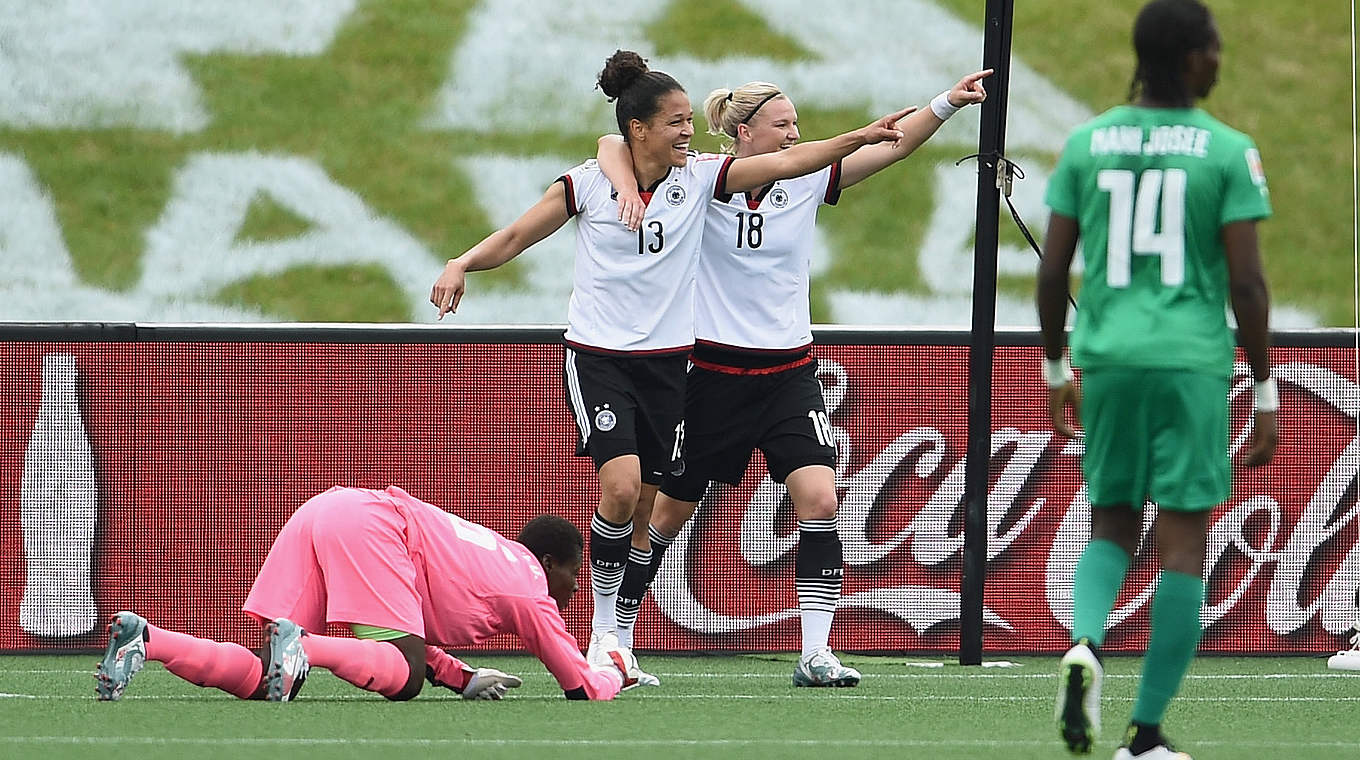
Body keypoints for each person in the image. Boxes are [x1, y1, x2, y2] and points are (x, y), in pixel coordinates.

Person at [428, 49, 912, 679]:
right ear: (641, 129)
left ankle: (638, 640)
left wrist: (858, 136)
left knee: (652, 502)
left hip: (671, 367)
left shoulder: (699, 180)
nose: (689, 130)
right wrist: (461, 262)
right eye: (677, 121)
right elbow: (520, 234)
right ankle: (605, 633)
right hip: (599, 357)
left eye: (690, 119)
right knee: (622, 487)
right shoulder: (588, 181)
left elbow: (791, 162)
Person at [593, 69, 990, 685]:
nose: (794, 135)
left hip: (789, 373)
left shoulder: (806, 177)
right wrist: (620, 182)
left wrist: (946, 103)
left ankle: (814, 652)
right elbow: (613, 145)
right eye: (783, 125)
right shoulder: (697, 178)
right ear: (743, 133)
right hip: (711, 374)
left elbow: (894, 144)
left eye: (797, 126)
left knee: (820, 496)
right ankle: (617, 638)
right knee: (665, 515)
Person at [1036, 1, 1276, 757]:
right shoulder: (1228, 149)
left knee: (1111, 521)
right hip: (1190, 362)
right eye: (1213, 49)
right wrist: (1265, 388)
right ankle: (1144, 734)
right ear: (1186, 56)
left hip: (1106, 359)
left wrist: (1054, 368)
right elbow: (1248, 285)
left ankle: (1084, 642)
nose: (1220, 60)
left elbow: (1050, 273)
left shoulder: (1086, 142)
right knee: (1182, 545)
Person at [94, 485, 642, 702]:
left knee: (264, 676)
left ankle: (148, 639)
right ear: (549, 563)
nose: (579, 583)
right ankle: (305, 646)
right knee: (402, 680)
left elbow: (408, 632)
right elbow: (581, 687)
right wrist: (617, 671)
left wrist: (462, 676)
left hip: (326, 509)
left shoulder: (493, 561)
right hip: (373, 523)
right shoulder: (530, 586)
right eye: (577, 570)